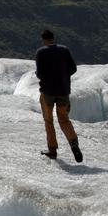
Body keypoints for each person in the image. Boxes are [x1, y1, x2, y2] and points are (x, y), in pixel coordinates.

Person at [35, 29, 82, 162]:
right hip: (63, 91)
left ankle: (52, 150)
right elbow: (73, 69)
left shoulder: (41, 52)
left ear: (43, 40)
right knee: (64, 119)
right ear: (53, 38)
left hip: (47, 92)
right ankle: (73, 143)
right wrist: (62, 76)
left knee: (49, 121)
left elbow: (39, 74)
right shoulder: (64, 50)